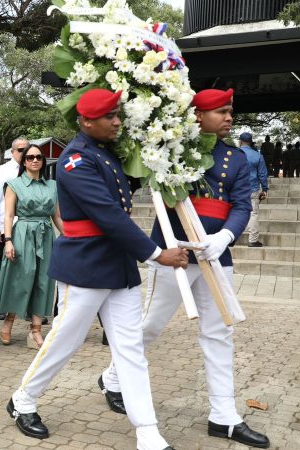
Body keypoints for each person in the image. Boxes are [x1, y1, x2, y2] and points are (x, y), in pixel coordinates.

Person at [6, 89, 188, 450]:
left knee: (131, 348)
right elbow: (108, 215)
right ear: (86, 121)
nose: (117, 121)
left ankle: (148, 432)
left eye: (118, 115)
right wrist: (155, 254)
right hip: (86, 264)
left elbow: (126, 192)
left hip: (117, 266)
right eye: (109, 116)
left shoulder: (106, 154)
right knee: (65, 340)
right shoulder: (75, 160)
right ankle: (23, 399)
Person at [100, 89, 270, 449]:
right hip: (172, 253)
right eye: (220, 111)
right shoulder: (173, 150)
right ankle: (114, 378)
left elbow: (241, 204)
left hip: (215, 256)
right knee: (150, 326)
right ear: (198, 116)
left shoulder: (237, 158)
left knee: (219, 334)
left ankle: (223, 416)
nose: (228, 117)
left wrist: (225, 236)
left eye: (230, 111)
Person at [0, 144, 62, 348]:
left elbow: (56, 215)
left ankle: (36, 330)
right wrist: (7, 241)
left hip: (45, 233)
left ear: (43, 160)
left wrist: (69, 237)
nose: (34, 160)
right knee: (20, 279)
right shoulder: (14, 184)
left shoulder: (53, 186)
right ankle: (9, 321)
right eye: (30, 157)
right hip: (22, 233)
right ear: (24, 162)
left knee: (43, 281)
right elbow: (7, 215)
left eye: (38, 157)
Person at [0, 137, 27, 321]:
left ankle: (27, 307)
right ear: (12, 152)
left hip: (29, 225)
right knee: (3, 265)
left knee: (28, 266)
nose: (24, 153)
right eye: (20, 150)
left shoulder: (34, 170)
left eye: (27, 149)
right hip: (8, 225)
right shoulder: (2, 172)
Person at [239, 132, 268, 248]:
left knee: (234, 211)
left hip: (236, 189)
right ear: (251, 142)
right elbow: (262, 174)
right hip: (253, 188)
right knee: (253, 213)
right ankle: (252, 240)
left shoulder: (235, 154)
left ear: (240, 141)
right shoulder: (258, 156)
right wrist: (265, 189)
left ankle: (231, 238)